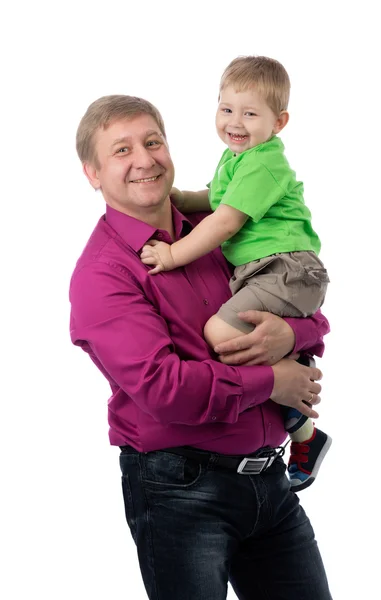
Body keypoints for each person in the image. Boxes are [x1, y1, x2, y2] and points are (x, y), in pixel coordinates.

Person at [69, 94, 332, 599]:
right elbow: (166, 389)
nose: (144, 159)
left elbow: (303, 299)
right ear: (93, 173)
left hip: (271, 484)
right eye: (121, 151)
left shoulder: (219, 235)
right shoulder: (103, 274)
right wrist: (275, 379)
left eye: (153, 142)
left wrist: (290, 335)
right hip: (180, 493)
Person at [140, 55, 331, 492]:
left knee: (220, 333)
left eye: (250, 113)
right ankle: (305, 430)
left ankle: (296, 388)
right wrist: (181, 198)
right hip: (263, 271)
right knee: (234, 337)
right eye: (226, 109)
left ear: (279, 122)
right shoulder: (235, 159)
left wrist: (172, 256)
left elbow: (225, 220)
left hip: (287, 268)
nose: (235, 122)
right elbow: (215, 198)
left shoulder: (264, 162)